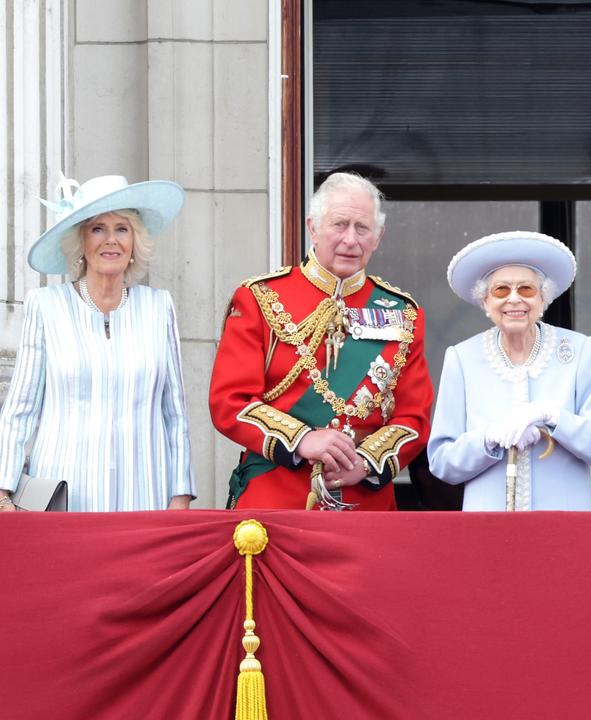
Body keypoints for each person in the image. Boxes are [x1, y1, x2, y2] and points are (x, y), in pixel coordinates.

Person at [209, 172, 432, 510]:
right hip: (275, 498)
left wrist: (368, 462)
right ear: (313, 228)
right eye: (340, 225)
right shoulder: (261, 298)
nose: (351, 240)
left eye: (363, 228)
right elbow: (230, 401)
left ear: (378, 237)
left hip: (366, 505)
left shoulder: (404, 313)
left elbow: (414, 417)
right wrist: (302, 440)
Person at [0, 174, 193, 511]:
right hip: (63, 496)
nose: (111, 240)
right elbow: (20, 410)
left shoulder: (158, 307)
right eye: (98, 228)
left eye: (122, 228)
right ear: (81, 241)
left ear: (135, 242)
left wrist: (180, 496)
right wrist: (3, 491)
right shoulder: (46, 306)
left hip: (145, 493)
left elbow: (174, 413)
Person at [427, 231, 591, 510]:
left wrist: (554, 418)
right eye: (501, 290)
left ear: (544, 298)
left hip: (564, 529)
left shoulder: (580, 351)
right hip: (488, 529)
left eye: (527, 289)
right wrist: (490, 437)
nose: (514, 299)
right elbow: (442, 463)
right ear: (485, 302)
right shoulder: (462, 358)